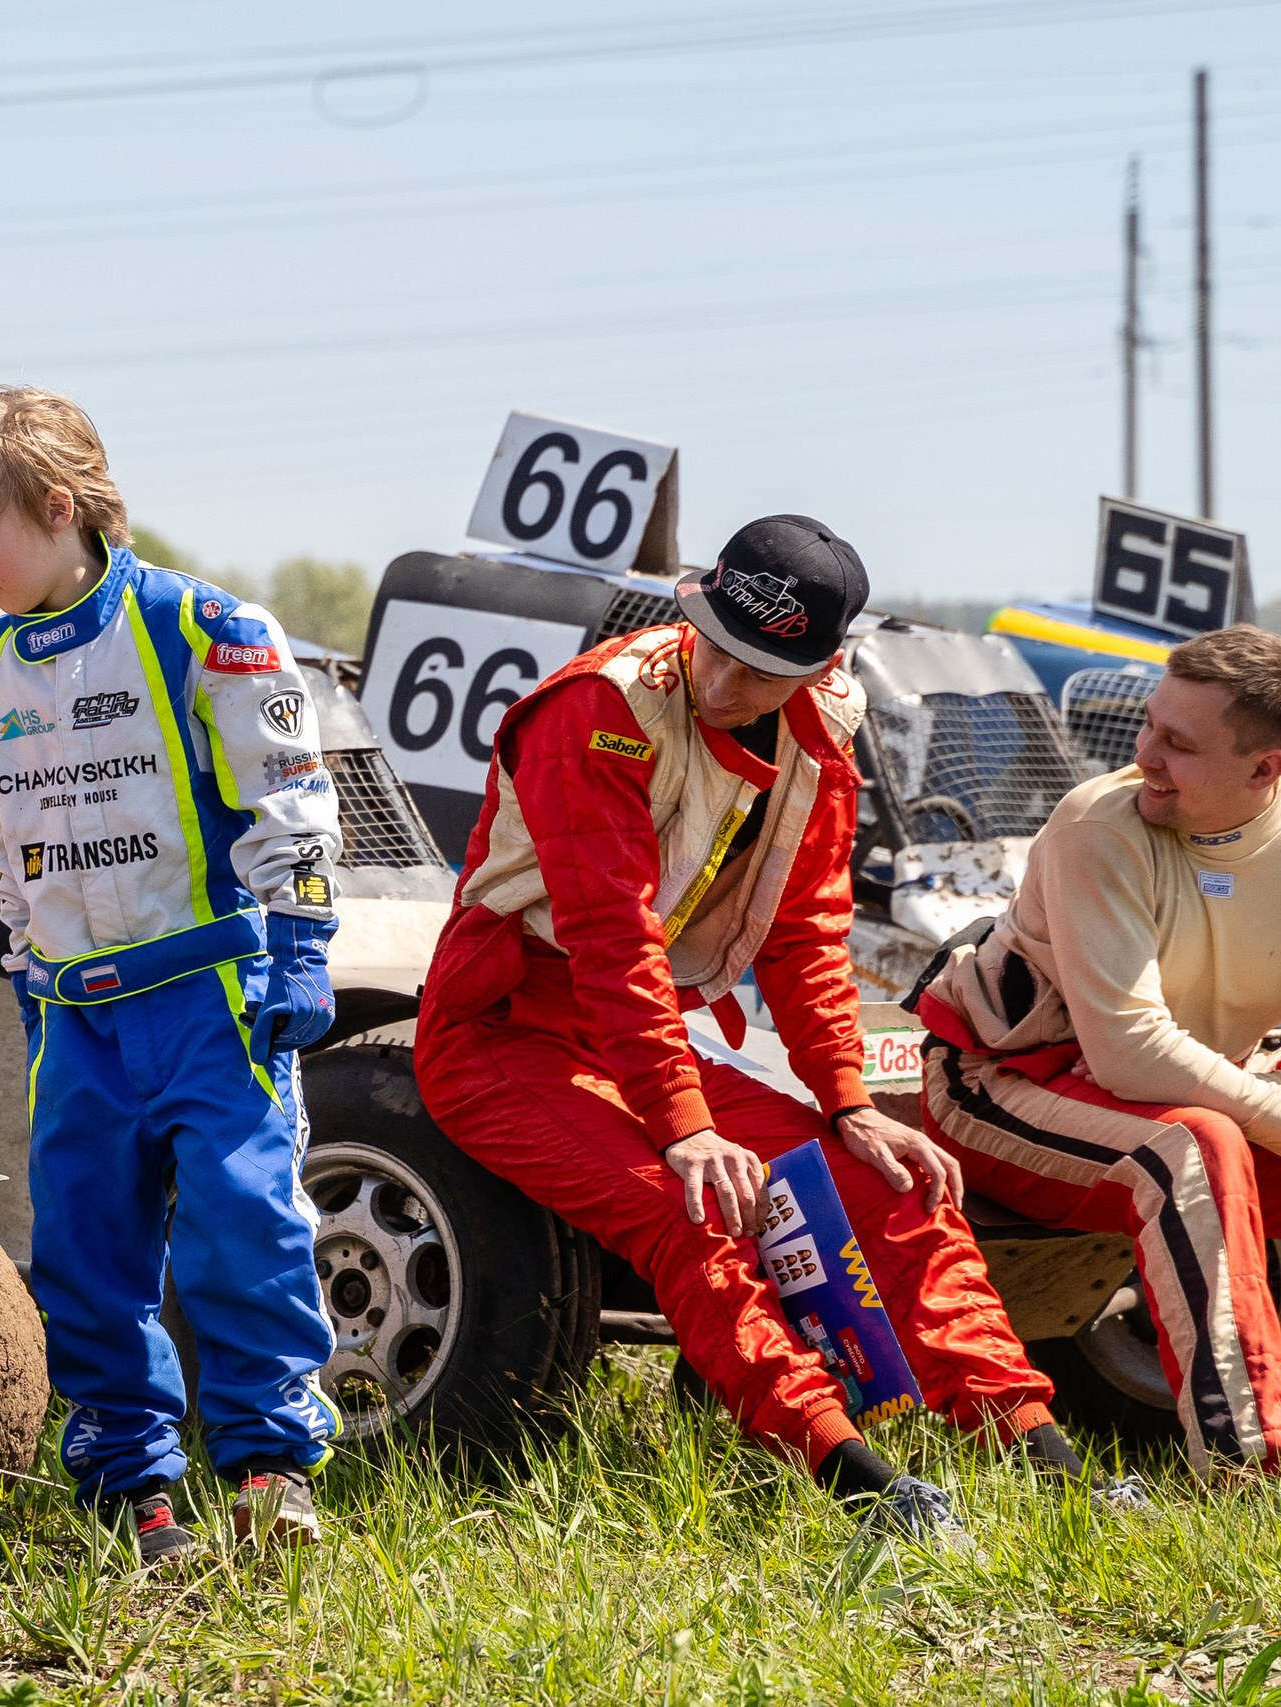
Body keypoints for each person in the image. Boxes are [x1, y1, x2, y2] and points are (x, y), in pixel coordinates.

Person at [413, 516, 1100, 1540]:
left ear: (823, 664)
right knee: (691, 1211)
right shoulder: (599, 707)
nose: (728, 688)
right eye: (719, 649)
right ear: (696, 605)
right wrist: (686, 1126)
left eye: (765, 671)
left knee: (886, 1179)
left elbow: (808, 933)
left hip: (635, 1039)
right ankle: (853, 1478)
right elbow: (611, 939)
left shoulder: (826, 720)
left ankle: (1038, 1453)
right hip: (502, 1034)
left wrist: (850, 1102)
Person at [0, 386, 342, 1563]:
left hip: (209, 996)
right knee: (87, 1255)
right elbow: (2, 842)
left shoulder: (207, 625)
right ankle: (132, 1496)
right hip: (75, 1016)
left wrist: (299, 945)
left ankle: (267, 1476)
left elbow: (293, 796)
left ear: (58, 506)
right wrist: (23, 971)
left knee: (242, 1232)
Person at [915, 624, 1281, 1476]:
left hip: (1164, 1085)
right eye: (1149, 725)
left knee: (1214, 1132)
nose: (1146, 754)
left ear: (1265, 769)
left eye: (1179, 744)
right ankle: (1249, 1462)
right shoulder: (1100, 823)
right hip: (1000, 1082)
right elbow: (1127, 1053)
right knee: (1193, 1147)